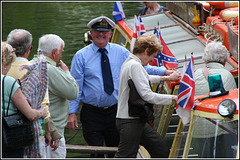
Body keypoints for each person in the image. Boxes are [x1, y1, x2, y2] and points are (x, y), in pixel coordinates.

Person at [67, 16, 181, 158]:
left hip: (115, 112)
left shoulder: (121, 52)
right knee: (96, 153)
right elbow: (75, 87)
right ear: (91, 33)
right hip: (92, 114)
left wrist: (165, 72)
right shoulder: (80, 56)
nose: (101, 34)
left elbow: (142, 67)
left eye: (105, 31)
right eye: (97, 31)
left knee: (116, 149)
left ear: (110, 33)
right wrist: (72, 112)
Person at [114, 34, 178, 158]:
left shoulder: (130, 62)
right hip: (130, 121)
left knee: (160, 150)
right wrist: (173, 98)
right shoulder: (135, 65)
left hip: (134, 120)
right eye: (153, 56)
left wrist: (165, 78)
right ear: (146, 50)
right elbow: (147, 95)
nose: (152, 60)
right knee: (125, 156)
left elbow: (144, 78)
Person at [6, 29, 61, 157]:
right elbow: (44, 108)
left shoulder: (3, 70)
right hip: (30, 132)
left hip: (5, 132)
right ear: (29, 48)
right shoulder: (37, 71)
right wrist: (49, 132)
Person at [191, 40, 237, 157]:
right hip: (221, 131)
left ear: (205, 58)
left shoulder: (194, 75)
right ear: (224, 59)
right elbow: (233, 106)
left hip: (197, 130)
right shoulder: (227, 75)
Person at [1, 42, 48, 158]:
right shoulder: (7, 82)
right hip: (8, 137)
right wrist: (41, 113)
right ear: (7, 63)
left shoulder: (10, 83)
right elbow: (30, 115)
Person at [37, 34, 79, 158]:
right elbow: (73, 92)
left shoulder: (30, 64)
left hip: (34, 131)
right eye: (61, 51)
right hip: (52, 134)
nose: (61, 55)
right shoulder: (51, 70)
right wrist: (67, 73)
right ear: (54, 52)